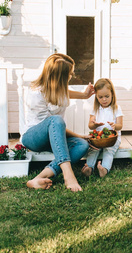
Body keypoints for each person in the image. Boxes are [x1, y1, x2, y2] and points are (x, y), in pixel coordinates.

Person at [22, 53, 94, 192]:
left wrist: (84, 95)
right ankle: (68, 175)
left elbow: (66, 92)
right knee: (56, 120)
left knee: (82, 145)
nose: (71, 76)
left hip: (53, 139)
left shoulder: (58, 88)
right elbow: (53, 127)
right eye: (70, 73)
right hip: (34, 138)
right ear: (60, 77)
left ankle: (38, 178)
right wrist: (78, 134)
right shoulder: (36, 94)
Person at [82, 78, 123, 178]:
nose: (104, 99)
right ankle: (89, 167)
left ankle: (104, 168)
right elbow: (90, 126)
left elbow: (120, 125)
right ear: (96, 96)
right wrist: (94, 125)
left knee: (109, 150)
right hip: (98, 139)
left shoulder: (116, 108)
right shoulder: (95, 109)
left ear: (112, 94)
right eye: (100, 97)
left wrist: (115, 126)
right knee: (93, 150)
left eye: (107, 96)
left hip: (112, 139)